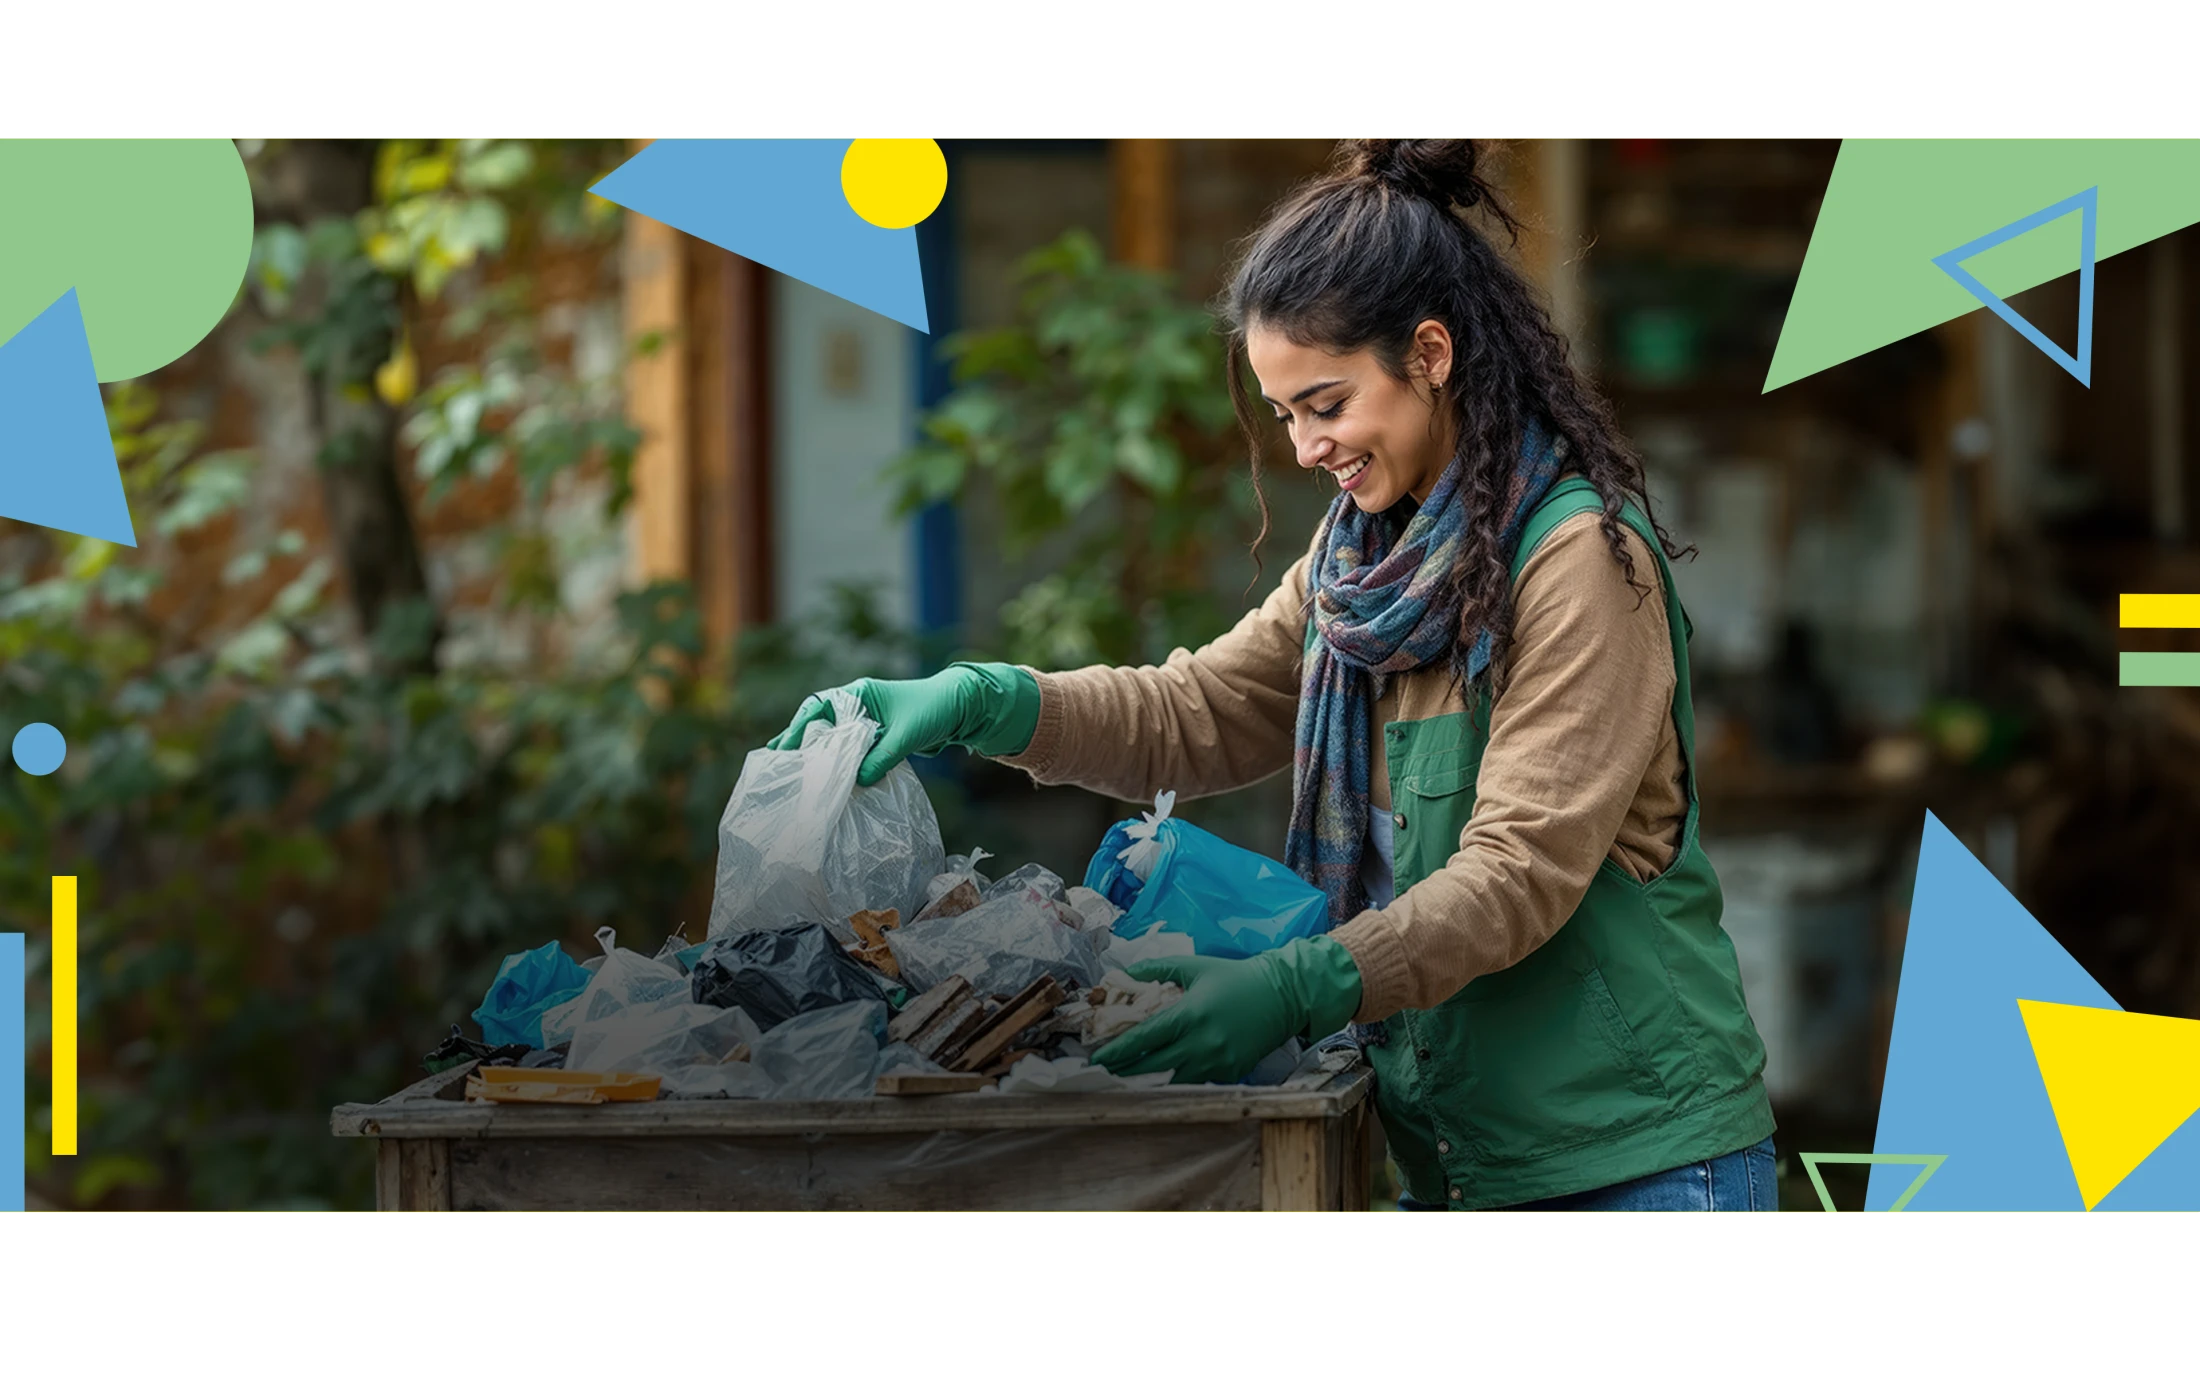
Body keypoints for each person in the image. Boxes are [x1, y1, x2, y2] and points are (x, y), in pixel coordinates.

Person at [770, 138, 1777, 1213]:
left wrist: (1297, 986)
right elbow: (1196, 710)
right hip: (1458, 1156)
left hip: (1633, 1158)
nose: (1304, 447)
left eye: (1328, 403)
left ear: (1430, 354)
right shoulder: (1358, 564)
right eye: (1286, 411)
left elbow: (1520, 867)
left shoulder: (1574, 557)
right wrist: (987, 698)